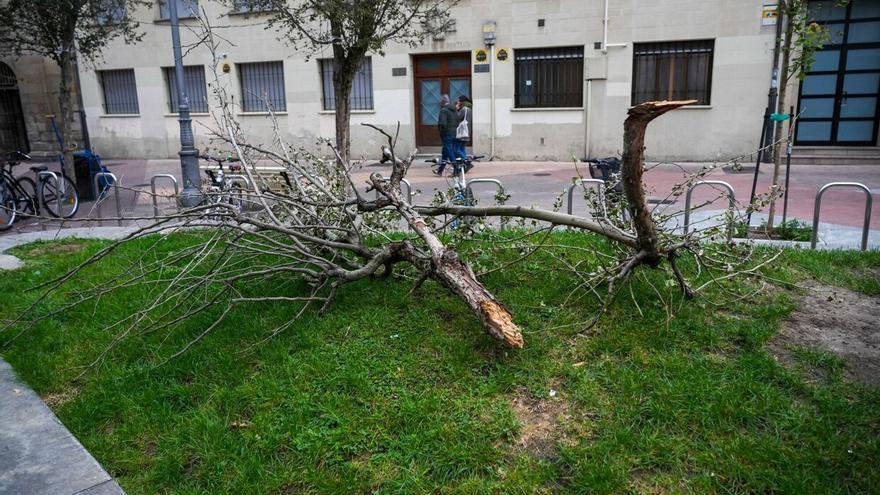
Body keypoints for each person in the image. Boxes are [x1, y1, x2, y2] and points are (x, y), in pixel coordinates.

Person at [435, 94, 458, 175]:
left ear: (442, 102)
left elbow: (442, 123)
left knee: (448, 150)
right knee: (445, 151)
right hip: (454, 132)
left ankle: (456, 168)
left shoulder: (444, 110)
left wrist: (441, 132)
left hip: (447, 133)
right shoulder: (454, 110)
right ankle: (440, 170)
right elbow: (457, 121)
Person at [453, 95, 473, 171]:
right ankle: (465, 164)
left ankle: (467, 162)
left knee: (456, 149)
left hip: (461, 132)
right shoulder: (469, 108)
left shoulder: (464, 108)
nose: (458, 102)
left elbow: (457, 118)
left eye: (458, 100)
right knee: (462, 148)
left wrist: (457, 109)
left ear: (461, 101)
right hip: (467, 131)